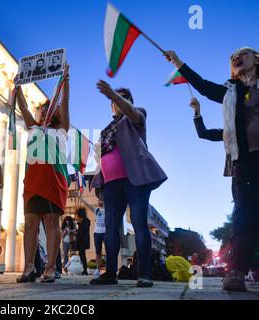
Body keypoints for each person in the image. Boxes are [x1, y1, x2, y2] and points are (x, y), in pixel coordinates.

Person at [165, 47, 259, 292]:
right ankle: (237, 271)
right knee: (243, 217)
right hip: (245, 163)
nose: (237, 57)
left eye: (244, 53)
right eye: (232, 57)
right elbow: (204, 87)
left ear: (256, 60)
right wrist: (178, 62)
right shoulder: (230, 92)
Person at [90, 83, 167, 288]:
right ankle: (110, 274)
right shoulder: (107, 127)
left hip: (135, 180)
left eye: (121, 97)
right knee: (111, 228)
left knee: (139, 223)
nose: (116, 101)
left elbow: (132, 113)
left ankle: (144, 274)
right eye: (114, 99)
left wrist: (114, 95)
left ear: (128, 101)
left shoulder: (137, 114)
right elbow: (102, 157)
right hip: (111, 183)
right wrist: (100, 184)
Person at [15, 64, 70, 284]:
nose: (46, 110)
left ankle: (49, 269)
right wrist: (17, 89)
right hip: (32, 182)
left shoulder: (61, 128)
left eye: (50, 108)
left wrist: (66, 82)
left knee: (51, 222)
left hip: (53, 181)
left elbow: (64, 104)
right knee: (30, 223)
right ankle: (29, 268)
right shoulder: (34, 127)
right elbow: (24, 110)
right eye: (44, 108)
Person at [75, 207, 90, 275]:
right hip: (80, 240)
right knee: (81, 255)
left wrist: (79, 225)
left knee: (82, 255)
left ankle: (85, 269)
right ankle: (84, 269)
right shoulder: (81, 222)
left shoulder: (86, 221)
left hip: (83, 241)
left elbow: (83, 231)